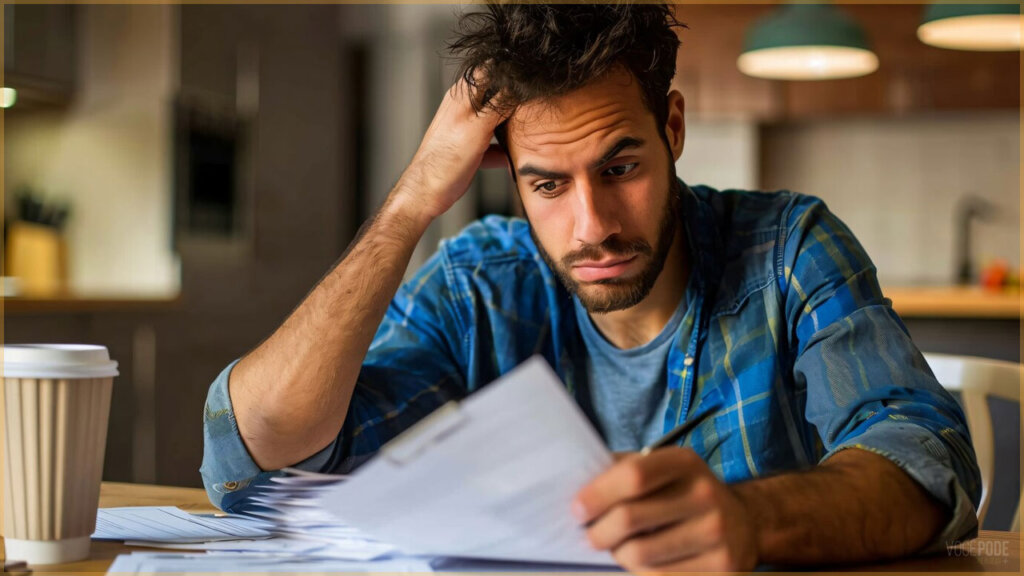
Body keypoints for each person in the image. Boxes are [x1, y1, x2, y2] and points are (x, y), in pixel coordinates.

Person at [201, 4, 981, 571]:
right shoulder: (479, 287)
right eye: (547, 185)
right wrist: (410, 204)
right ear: (506, 173)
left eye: (620, 168)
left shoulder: (787, 249)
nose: (592, 225)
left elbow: (923, 460)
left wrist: (749, 517)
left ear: (671, 128)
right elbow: (260, 461)